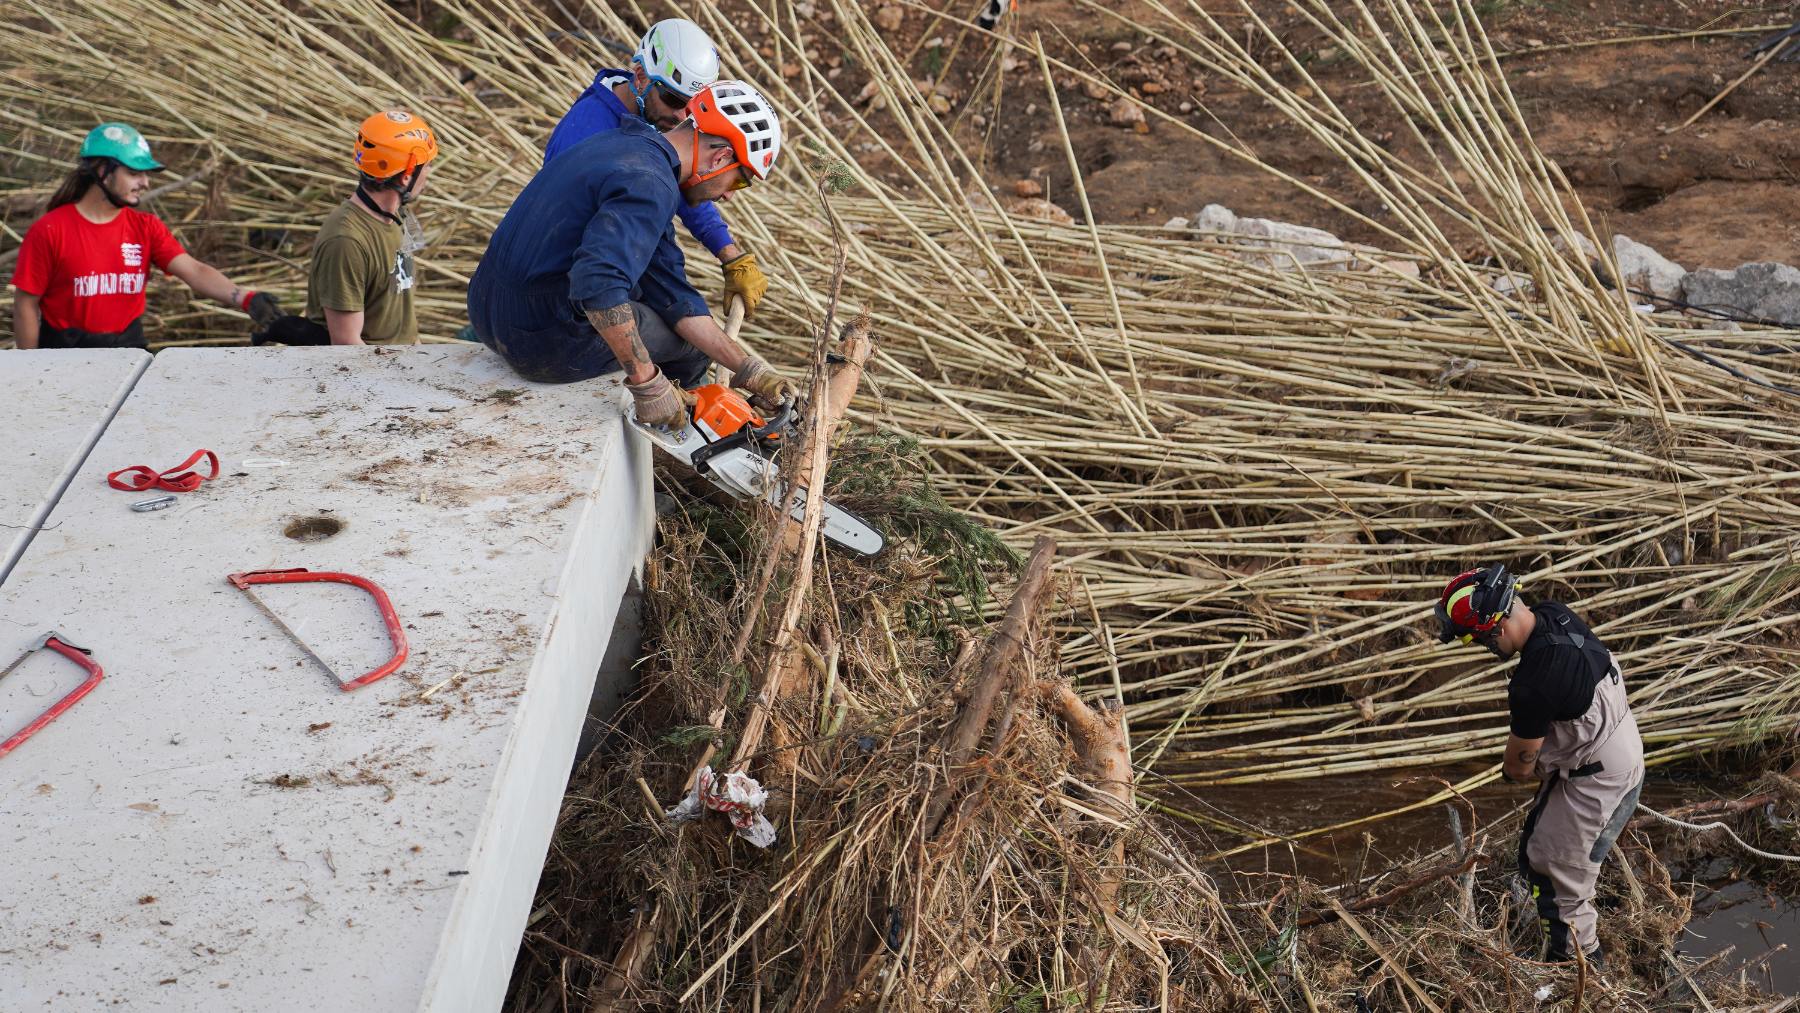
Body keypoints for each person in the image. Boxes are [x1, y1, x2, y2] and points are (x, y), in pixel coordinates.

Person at [468, 80, 791, 429]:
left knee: (652, 298)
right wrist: (648, 382)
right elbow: (598, 286)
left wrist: (750, 371)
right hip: (540, 341)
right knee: (688, 349)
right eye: (739, 181)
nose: (729, 196)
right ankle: (677, 444)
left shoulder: (628, 145)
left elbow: (671, 291)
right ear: (721, 157)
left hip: (487, 310)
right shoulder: (649, 183)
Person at [1435, 564, 1645, 969]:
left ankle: (1579, 968)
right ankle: (1571, 944)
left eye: (1479, 640)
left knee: (1553, 871)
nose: (1484, 649)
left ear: (1494, 628)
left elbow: (1518, 768)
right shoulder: (1553, 613)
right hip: (1618, 750)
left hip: (1600, 779)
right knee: (1538, 848)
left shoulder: (1532, 685)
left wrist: (1521, 763)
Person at [543, 18, 769, 320]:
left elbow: (683, 179)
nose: (680, 116)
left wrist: (729, 253)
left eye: (691, 107)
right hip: (568, 289)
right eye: (673, 99)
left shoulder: (654, 118)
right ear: (640, 75)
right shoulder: (586, 132)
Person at [10, 123, 282, 349]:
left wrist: (245, 297)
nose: (145, 183)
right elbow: (25, 302)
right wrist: (33, 368)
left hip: (128, 351)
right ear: (101, 171)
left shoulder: (146, 228)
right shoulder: (50, 230)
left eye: (145, 174)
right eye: (134, 173)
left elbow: (195, 271)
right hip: (65, 354)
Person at [265, 110, 437, 346]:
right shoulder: (347, 241)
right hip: (370, 374)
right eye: (426, 166)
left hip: (402, 367)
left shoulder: (395, 217)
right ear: (407, 175)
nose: (428, 173)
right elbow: (347, 345)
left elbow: (403, 315)